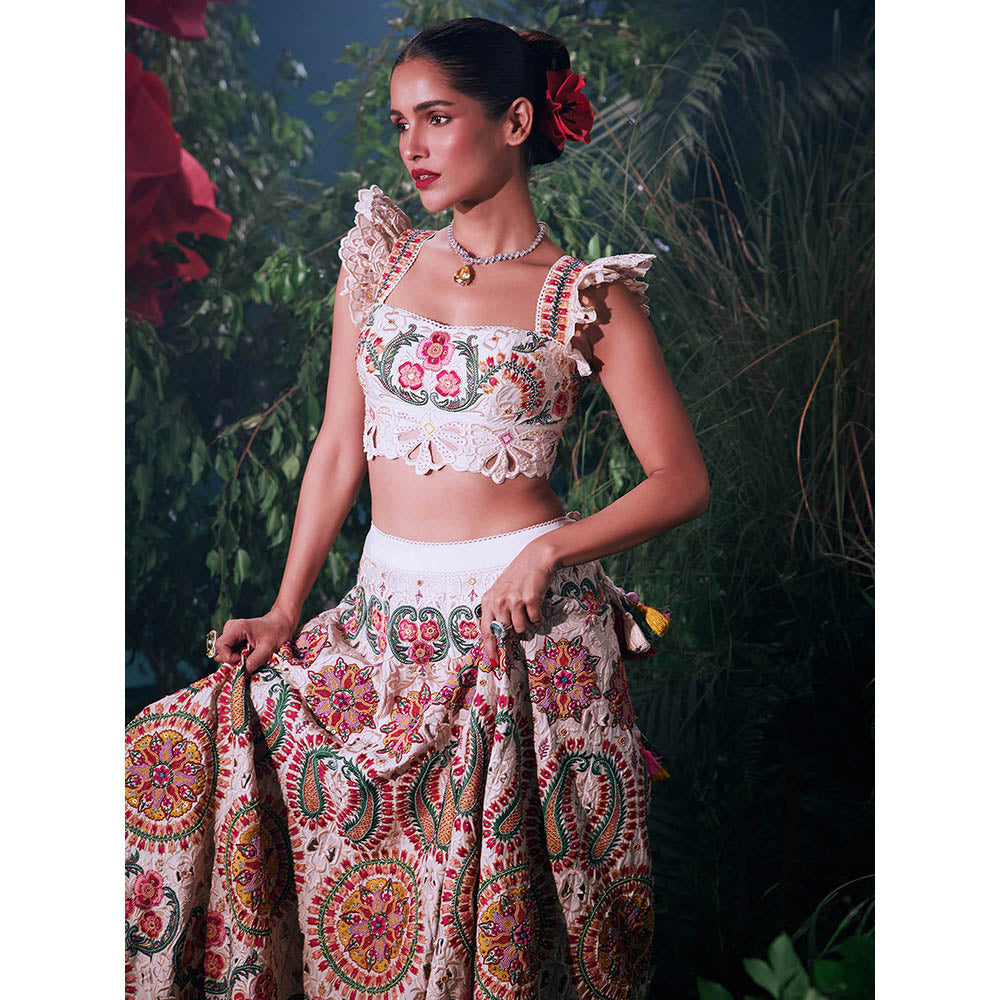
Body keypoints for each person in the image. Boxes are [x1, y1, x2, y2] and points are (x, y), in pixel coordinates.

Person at [124, 16, 709, 1000]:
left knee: (508, 942)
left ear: (514, 121)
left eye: (436, 117)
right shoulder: (379, 266)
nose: (412, 146)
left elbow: (680, 478)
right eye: (401, 122)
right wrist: (284, 607)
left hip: (523, 644)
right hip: (379, 636)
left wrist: (552, 550)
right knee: (181, 768)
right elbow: (336, 447)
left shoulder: (584, 296)